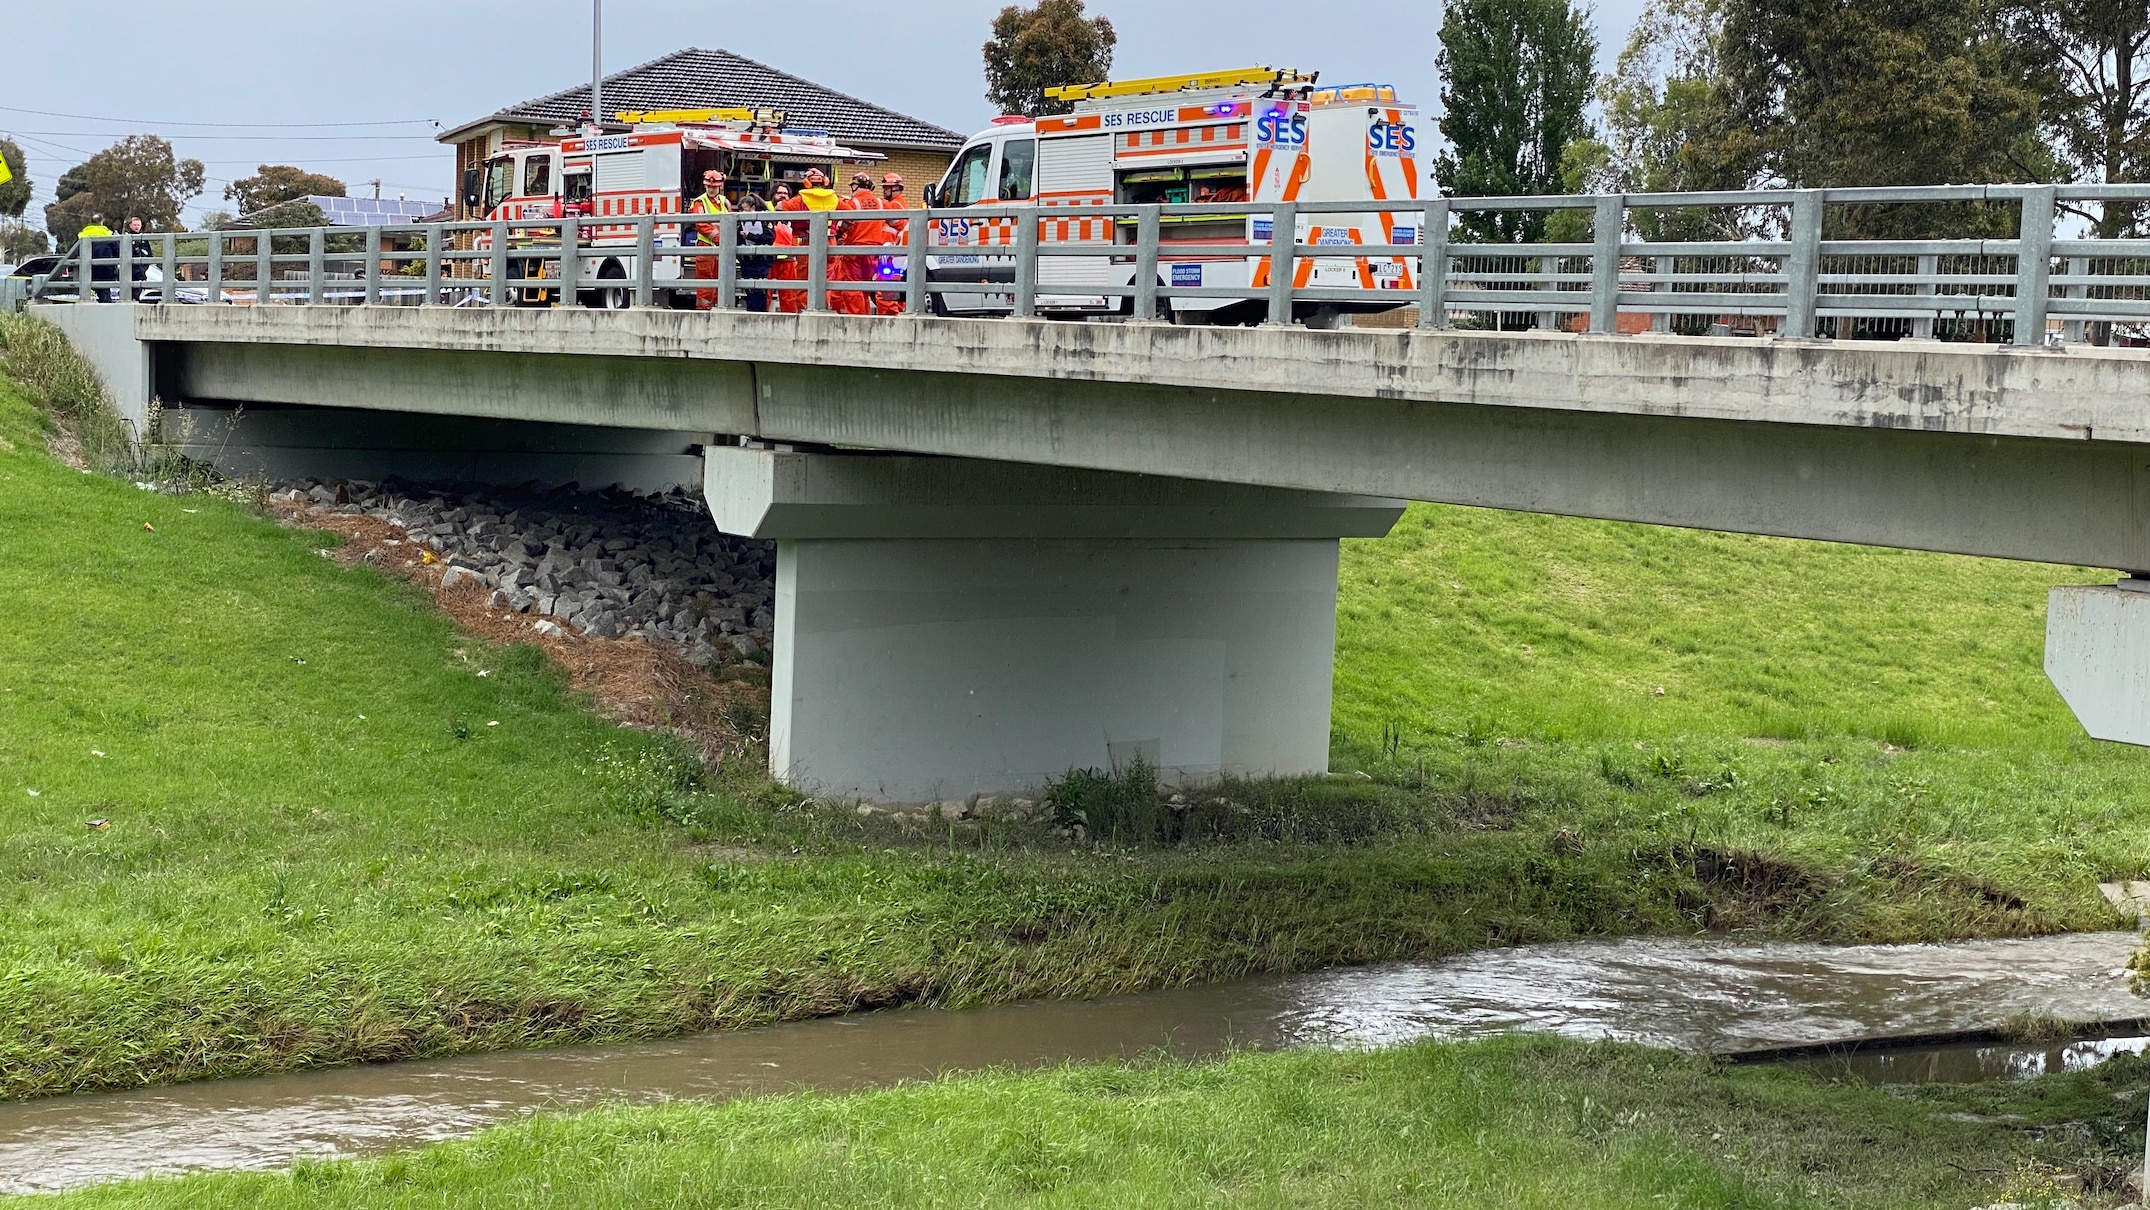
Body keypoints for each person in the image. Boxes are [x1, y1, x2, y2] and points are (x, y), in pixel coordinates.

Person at [773, 168, 852, 314]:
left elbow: (780, 209)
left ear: (807, 182)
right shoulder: (834, 198)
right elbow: (851, 217)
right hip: (830, 242)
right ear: (825, 182)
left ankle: (805, 310)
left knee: (804, 280)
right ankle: (823, 308)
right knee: (825, 280)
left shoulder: (802, 199)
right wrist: (840, 231)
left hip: (807, 242)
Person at [837, 171, 889, 318]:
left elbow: (843, 226)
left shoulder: (852, 203)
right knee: (866, 288)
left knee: (852, 287)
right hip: (874, 251)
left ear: (854, 187)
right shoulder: (881, 203)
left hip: (854, 251)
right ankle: (865, 317)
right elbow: (898, 222)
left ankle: (857, 319)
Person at [686, 169, 731, 309]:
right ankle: (703, 311)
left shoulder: (724, 202)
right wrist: (720, 238)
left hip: (721, 249)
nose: (711, 189)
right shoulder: (700, 202)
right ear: (705, 186)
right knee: (706, 282)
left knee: (721, 280)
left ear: (720, 187)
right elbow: (701, 224)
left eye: (714, 187)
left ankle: (718, 308)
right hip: (706, 247)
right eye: (709, 187)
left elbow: (730, 221)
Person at [875, 172, 912, 316]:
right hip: (893, 254)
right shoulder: (898, 204)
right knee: (893, 293)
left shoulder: (896, 205)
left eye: (886, 188)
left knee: (885, 293)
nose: (884, 191)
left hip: (891, 255)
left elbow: (896, 222)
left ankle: (888, 322)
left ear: (895, 189)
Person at [736, 192, 774, 312]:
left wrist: (750, 236)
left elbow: (769, 238)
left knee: (760, 293)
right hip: (747, 261)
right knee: (749, 293)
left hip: (762, 262)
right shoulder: (740, 222)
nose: (743, 212)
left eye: (745, 209)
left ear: (753, 208)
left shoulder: (765, 220)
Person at [76, 216, 117, 301]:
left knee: (87, 290)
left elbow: (75, 250)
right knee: (105, 292)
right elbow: (117, 249)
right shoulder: (108, 233)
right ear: (101, 222)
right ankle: (105, 309)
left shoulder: (83, 234)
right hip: (105, 268)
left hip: (87, 268)